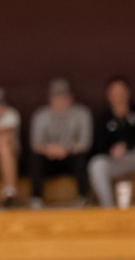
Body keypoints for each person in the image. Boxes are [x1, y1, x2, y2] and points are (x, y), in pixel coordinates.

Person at [89, 76, 135, 208]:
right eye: (115, 94)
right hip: (114, 161)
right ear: (109, 97)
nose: (119, 97)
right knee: (96, 165)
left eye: (121, 93)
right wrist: (111, 149)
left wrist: (127, 144)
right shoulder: (104, 117)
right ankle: (108, 207)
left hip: (134, 158)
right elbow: (96, 146)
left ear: (128, 94)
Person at [27, 79, 93, 207]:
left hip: (71, 156)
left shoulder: (82, 113)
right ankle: (36, 198)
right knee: (35, 159)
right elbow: (35, 144)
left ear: (71, 98)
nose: (60, 102)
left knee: (81, 159)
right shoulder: (40, 115)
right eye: (56, 98)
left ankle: (84, 197)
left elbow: (85, 143)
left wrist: (66, 150)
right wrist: (49, 150)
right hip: (48, 158)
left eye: (63, 98)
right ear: (50, 99)